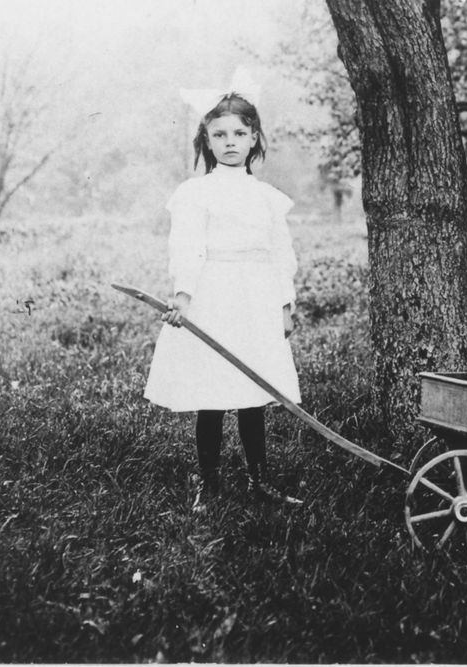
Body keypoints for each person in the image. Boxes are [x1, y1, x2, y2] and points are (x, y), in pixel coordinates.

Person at [144, 72, 301, 511]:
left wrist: (285, 304)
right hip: (214, 296)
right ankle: (208, 485)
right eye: (219, 134)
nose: (230, 141)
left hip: (255, 300)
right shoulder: (196, 194)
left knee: (253, 391)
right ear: (206, 141)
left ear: (254, 139)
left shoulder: (267, 197)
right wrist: (182, 297)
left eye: (239, 133)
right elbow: (187, 248)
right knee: (210, 394)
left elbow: (280, 253)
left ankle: (260, 481)